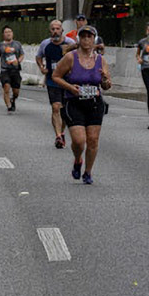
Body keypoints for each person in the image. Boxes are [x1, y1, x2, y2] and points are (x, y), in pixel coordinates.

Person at [52, 24, 112, 183]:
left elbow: (106, 85)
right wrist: (71, 88)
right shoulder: (71, 57)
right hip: (74, 103)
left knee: (92, 140)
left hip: (94, 103)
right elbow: (56, 76)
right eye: (83, 36)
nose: (86, 39)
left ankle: (88, 172)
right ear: (79, 39)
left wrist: (105, 80)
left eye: (89, 36)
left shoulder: (101, 60)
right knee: (79, 141)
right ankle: (78, 159)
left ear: (94, 39)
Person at [35, 19, 76, 148]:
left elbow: (78, 57)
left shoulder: (70, 43)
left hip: (67, 81)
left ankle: (62, 132)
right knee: (56, 107)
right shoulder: (45, 44)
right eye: (53, 29)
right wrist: (42, 67)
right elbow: (38, 56)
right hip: (52, 80)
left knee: (64, 111)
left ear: (62, 30)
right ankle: (58, 135)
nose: (55, 31)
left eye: (57, 28)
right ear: (50, 30)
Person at [0, 26, 25, 112]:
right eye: (6, 32)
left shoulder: (17, 44)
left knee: (16, 92)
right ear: (3, 34)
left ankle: (13, 100)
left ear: (12, 33)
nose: (8, 33)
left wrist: (18, 61)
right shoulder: (0, 45)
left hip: (15, 70)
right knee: (6, 87)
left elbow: (22, 54)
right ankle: (9, 106)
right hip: (5, 70)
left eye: (10, 31)